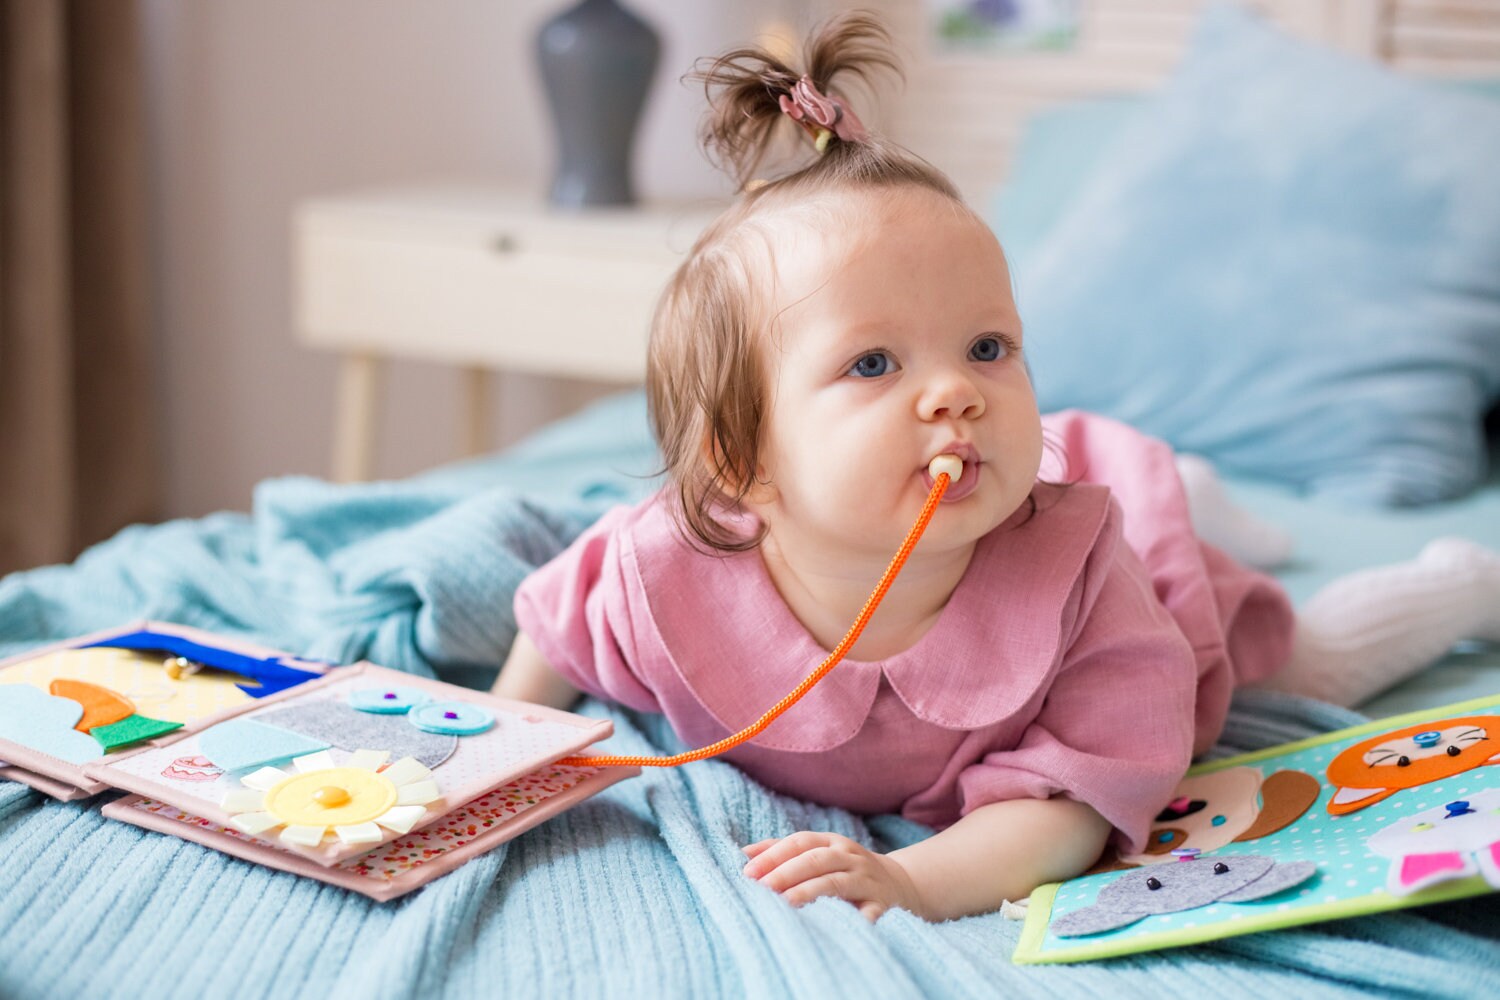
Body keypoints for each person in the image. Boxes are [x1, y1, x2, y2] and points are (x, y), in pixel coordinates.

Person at [492, 13, 1500, 922]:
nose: (956, 393)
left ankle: (1450, 583)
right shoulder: (663, 567)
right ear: (743, 465)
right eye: (874, 363)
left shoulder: (1084, 579)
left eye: (987, 348)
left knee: (1284, 661)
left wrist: (912, 880)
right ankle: (1184, 491)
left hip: (1129, 564)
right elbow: (554, 620)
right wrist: (504, 753)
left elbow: (1070, 806)